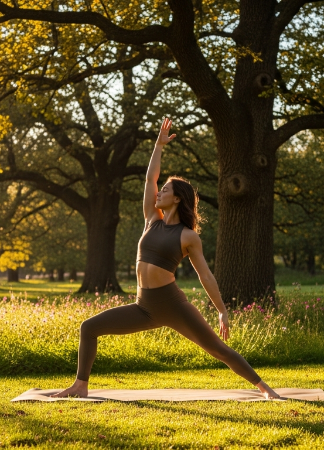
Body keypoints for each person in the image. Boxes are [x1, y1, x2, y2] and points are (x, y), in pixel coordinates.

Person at [52, 118, 279, 399]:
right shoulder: (151, 219)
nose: (159, 193)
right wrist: (158, 146)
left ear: (178, 199)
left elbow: (205, 275)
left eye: (166, 191)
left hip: (172, 305)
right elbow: (150, 178)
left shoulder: (187, 237)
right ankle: (80, 386)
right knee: (89, 327)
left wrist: (221, 309)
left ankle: (266, 389)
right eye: (161, 190)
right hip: (143, 306)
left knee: (218, 350)